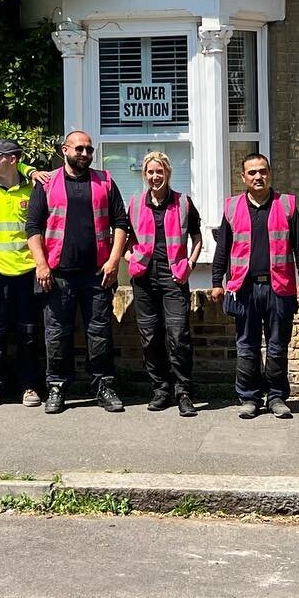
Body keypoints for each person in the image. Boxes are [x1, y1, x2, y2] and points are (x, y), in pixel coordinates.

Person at [26, 130, 129, 415]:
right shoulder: (47, 184)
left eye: (89, 150)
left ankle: (103, 385)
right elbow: (33, 226)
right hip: (58, 274)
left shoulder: (105, 181)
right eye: (79, 149)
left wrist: (114, 260)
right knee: (57, 334)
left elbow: (121, 222)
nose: (85, 154)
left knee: (100, 333)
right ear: (65, 150)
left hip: (97, 273)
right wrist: (42, 264)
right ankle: (57, 386)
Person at [210, 153, 299, 421]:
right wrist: (216, 281)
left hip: (279, 287)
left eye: (263, 171)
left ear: (270, 173)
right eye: (252, 172)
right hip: (244, 288)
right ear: (243, 177)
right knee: (246, 347)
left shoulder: (287, 205)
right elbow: (222, 248)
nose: (258, 177)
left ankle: (277, 397)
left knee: (278, 346)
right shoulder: (232, 208)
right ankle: (249, 398)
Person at [125, 151, 202, 418]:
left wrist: (190, 264)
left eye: (160, 171)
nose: (155, 177)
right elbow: (125, 240)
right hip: (144, 279)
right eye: (150, 172)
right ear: (144, 174)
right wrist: (130, 258)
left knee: (178, 335)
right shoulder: (135, 203)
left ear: (168, 173)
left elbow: (197, 237)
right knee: (150, 337)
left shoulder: (183, 203)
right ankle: (160, 389)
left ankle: (183, 392)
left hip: (174, 278)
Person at [0, 140, 41, 410]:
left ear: (12, 160)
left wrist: (31, 171)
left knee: (28, 333)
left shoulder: (35, 188)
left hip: (26, 270)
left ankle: (29, 385)